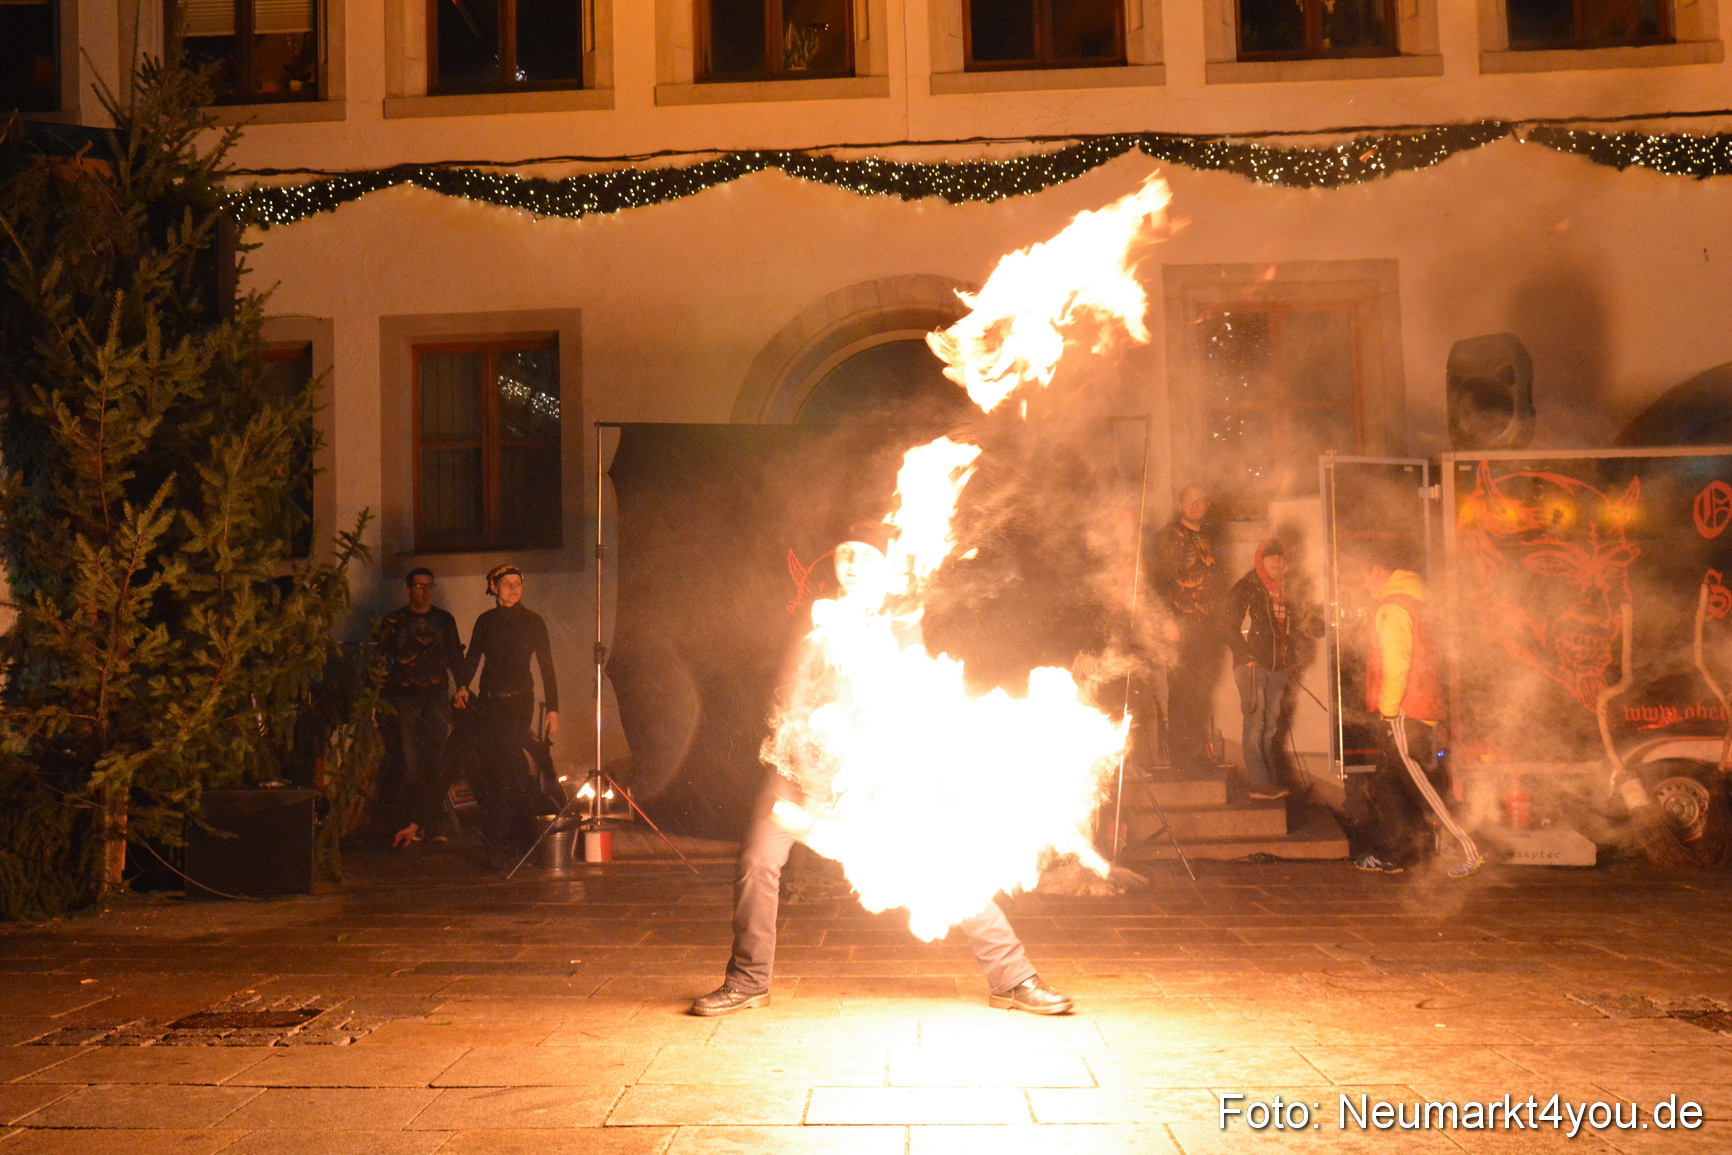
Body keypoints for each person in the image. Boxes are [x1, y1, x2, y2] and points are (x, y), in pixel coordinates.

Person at [689, 523, 1074, 1018]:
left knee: (943, 860)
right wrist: (809, 772)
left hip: (872, 767)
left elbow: (914, 698)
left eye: (865, 556)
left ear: (885, 564)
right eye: (844, 554)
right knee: (758, 861)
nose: (851, 564)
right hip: (801, 761)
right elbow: (788, 695)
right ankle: (747, 980)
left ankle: (1014, 977)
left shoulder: (901, 621)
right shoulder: (817, 618)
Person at [1350, 561, 1482, 877]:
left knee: (1422, 786)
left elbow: (1396, 664)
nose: (1363, 588)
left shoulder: (1392, 607)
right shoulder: (1414, 600)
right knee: (1388, 784)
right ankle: (1398, 852)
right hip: (1415, 708)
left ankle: (1473, 847)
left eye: (1362, 578)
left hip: (1406, 711)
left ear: (1377, 571)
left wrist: (1389, 711)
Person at [454, 564, 562, 868]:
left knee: (505, 768)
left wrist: (553, 707)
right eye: (506, 583)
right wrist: (462, 684)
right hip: (490, 703)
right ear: (494, 587)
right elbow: (473, 656)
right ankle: (511, 839)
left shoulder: (533, 622)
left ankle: (500, 844)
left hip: (519, 704)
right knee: (502, 770)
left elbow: (547, 666)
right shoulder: (486, 621)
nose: (514, 588)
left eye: (518, 583)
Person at [376, 568, 466, 848]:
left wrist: (462, 686)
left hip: (436, 698)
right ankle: (413, 823)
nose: (425, 591)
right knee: (410, 763)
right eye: (418, 586)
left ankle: (433, 822)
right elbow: (379, 661)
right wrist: (375, 699)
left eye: (430, 585)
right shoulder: (394, 621)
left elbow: (455, 657)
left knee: (436, 760)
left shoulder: (443, 620)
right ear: (408, 590)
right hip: (405, 700)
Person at [1148, 485, 1221, 771]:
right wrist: (1167, 619)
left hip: (1203, 626)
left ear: (1206, 504)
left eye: (1199, 500)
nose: (1194, 505)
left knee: (1199, 689)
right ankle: (1182, 757)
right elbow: (1159, 581)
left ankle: (1197, 753)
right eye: (1188, 501)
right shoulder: (1168, 537)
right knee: (1180, 689)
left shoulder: (1205, 538)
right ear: (1180, 505)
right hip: (1178, 624)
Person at [1226, 539, 1296, 801]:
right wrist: (1246, 656)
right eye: (1271, 557)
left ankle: (1268, 782)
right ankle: (1259, 783)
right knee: (1255, 724)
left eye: (1281, 557)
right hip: (1252, 667)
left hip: (1277, 667)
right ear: (1260, 560)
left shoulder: (1285, 590)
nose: (1277, 562)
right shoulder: (1248, 585)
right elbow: (1228, 624)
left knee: (1269, 727)